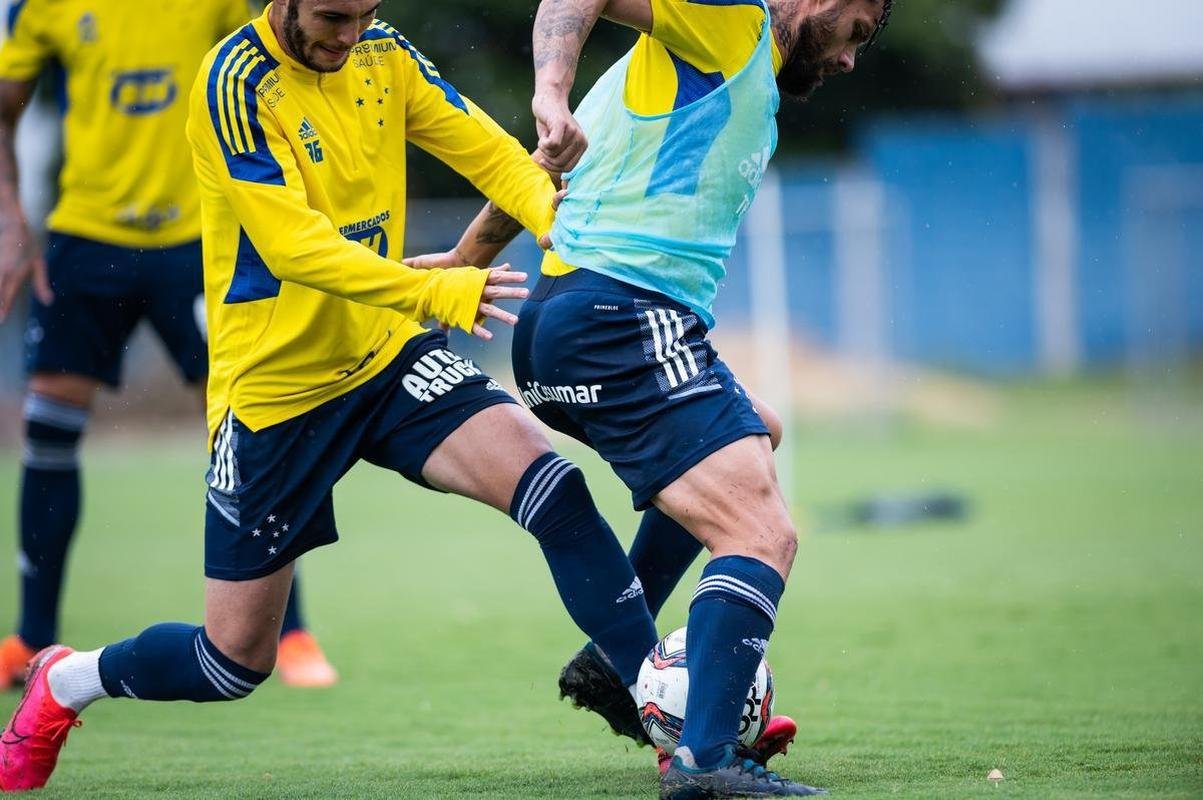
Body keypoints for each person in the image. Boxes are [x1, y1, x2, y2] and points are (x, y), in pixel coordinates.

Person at [0, 0, 663, 792]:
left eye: (363, 14)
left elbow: (488, 152)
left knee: (552, 490)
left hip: (384, 356)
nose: (346, 36)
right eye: (330, 16)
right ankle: (66, 680)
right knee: (230, 662)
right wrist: (443, 293)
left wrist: (557, 222)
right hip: (278, 396)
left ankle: (665, 713)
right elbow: (294, 247)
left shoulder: (382, 55)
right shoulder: (233, 82)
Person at [422, 0, 894, 795]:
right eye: (857, 29)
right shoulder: (731, 27)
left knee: (758, 430)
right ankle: (705, 764)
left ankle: (617, 664)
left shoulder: (689, 75)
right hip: (620, 318)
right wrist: (547, 89)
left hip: (563, 325)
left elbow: (545, 166)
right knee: (759, 531)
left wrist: (465, 261)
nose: (851, 56)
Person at [0, 0, 338, 690]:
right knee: (49, 426)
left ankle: (291, 630)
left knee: (253, 423)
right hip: (87, 236)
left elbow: (272, 69)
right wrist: (10, 216)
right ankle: (30, 638)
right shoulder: (42, 7)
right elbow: (6, 103)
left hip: (200, 238)